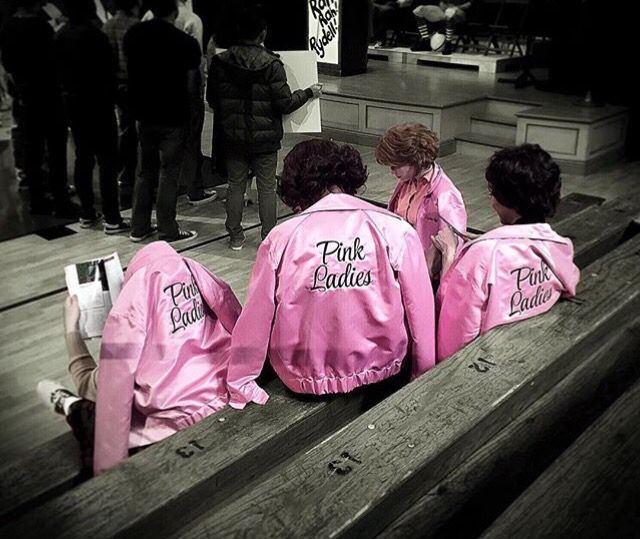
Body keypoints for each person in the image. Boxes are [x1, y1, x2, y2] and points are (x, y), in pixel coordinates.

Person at [225, 139, 436, 408]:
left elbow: (257, 314)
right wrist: (424, 371)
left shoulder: (282, 238)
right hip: (383, 369)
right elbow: (420, 306)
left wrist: (240, 381)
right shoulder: (396, 230)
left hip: (302, 377)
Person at [38, 240, 242, 475]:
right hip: (227, 408)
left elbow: (97, 390)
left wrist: (71, 331)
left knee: (89, 414)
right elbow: (233, 313)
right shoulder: (210, 305)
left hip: (172, 434)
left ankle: (67, 403)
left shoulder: (131, 316)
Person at [433, 144, 580, 362]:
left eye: (493, 193)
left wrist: (450, 255)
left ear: (507, 199)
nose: (491, 201)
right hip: (532, 351)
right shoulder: (559, 244)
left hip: (486, 364)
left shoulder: (484, 255)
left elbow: (455, 330)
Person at [206, 2, 322, 251]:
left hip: (233, 138)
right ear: (263, 33)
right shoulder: (272, 64)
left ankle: (235, 235)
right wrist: (309, 93)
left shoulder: (220, 62)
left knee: (235, 186)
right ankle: (268, 237)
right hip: (265, 140)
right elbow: (285, 104)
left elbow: (213, 101)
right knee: (267, 188)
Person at [124, 0, 201, 243]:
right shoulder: (185, 42)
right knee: (169, 173)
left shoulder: (133, 34)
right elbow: (191, 83)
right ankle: (168, 229)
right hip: (173, 115)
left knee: (144, 172)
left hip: (143, 113)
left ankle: (139, 227)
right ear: (175, 11)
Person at [54, 0, 129, 233]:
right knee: (107, 162)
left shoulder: (60, 36)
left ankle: (87, 212)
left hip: (73, 104)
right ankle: (112, 218)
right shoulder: (96, 36)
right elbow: (109, 72)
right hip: (99, 104)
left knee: (82, 159)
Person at [0, 0, 78, 217]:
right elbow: (52, 61)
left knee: (31, 150)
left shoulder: (8, 27)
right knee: (55, 151)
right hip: (49, 94)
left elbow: (7, 63)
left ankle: (37, 200)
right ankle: (61, 199)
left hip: (25, 96)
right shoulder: (42, 27)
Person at [142, 0, 216, 205]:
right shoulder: (193, 20)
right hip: (184, 92)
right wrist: (200, 91)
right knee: (191, 142)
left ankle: (152, 197)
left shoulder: (148, 15)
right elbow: (196, 62)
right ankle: (194, 190)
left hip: (152, 92)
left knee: (152, 149)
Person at [376, 122, 467, 280]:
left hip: (425, 277)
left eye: (395, 166)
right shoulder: (406, 183)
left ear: (414, 159)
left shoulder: (446, 194)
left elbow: (452, 249)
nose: (392, 171)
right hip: (402, 267)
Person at [102, 0, 141, 200]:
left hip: (115, 84)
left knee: (125, 127)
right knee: (136, 130)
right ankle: (132, 170)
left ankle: (125, 171)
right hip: (135, 84)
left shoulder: (107, 26)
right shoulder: (137, 26)